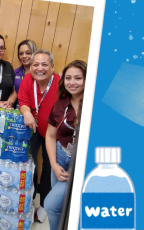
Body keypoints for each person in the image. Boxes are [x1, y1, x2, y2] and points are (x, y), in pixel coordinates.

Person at [44, 61, 87, 230]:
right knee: (59, 207)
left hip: (79, 163)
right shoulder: (60, 105)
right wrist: (54, 164)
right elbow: (50, 135)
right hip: (60, 158)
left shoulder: (93, 105)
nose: (72, 82)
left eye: (78, 78)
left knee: (50, 205)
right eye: (68, 78)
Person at [18, 51, 60, 221]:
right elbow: (23, 101)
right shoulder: (27, 79)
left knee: (50, 167)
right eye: (36, 64)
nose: (39, 68)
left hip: (55, 134)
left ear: (52, 67)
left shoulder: (61, 82)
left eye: (44, 64)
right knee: (30, 163)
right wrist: (26, 112)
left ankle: (45, 204)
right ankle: (29, 197)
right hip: (33, 129)